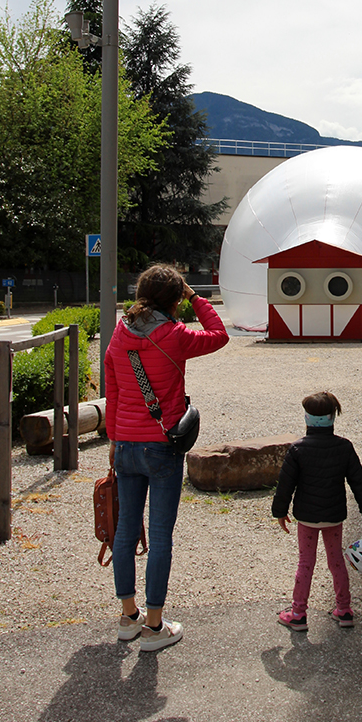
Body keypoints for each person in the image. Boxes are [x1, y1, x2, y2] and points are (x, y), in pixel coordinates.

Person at [104, 264, 228, 650]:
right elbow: (220, 335)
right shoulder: (175, 335)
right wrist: (195, 296)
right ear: (174, 299)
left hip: (125, 444)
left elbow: (112, 387)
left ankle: (128, 617)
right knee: (159, 537)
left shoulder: (120, 331)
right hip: (161, 445)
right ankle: (155, 627)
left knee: (124, 532)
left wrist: (113, 437)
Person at [272, 391, 362, 632]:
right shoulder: (344, 447)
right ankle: (344, 609)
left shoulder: (298, 449)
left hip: (307, 518)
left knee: (306, 563)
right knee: (336, 560)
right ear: (332, 418)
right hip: (334, 516)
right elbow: (358, 481)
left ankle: (298, 613)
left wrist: (280, 511)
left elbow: (286, 484)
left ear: (308, 418)